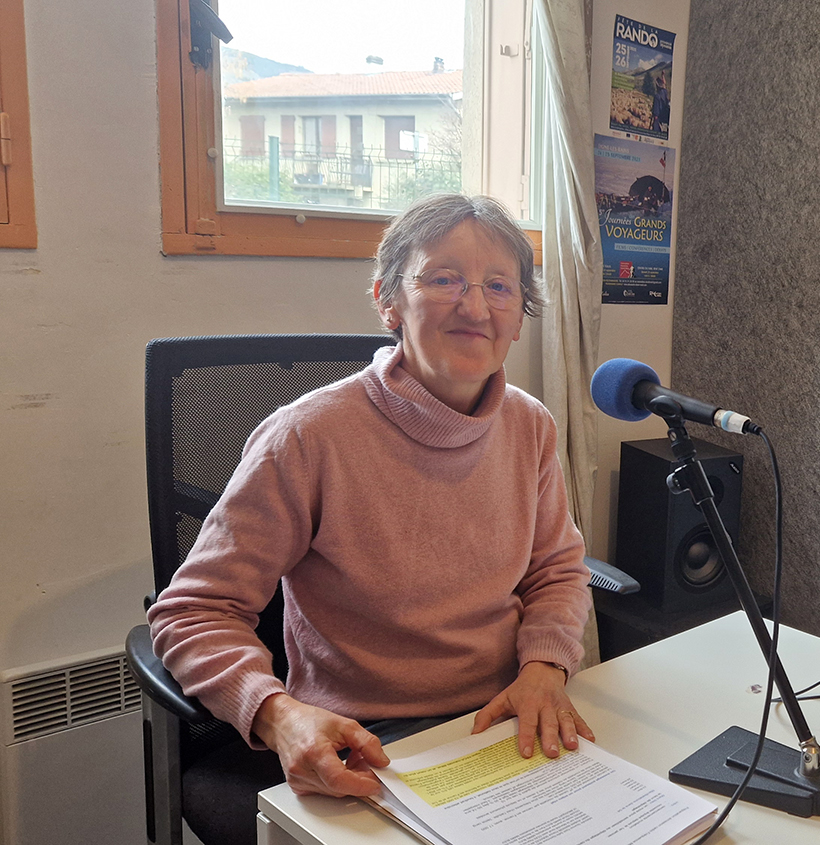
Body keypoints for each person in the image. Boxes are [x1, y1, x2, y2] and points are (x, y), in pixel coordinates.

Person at [148, 194, 593, 843]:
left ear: (518, 316)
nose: (475, 307)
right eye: (444, 279)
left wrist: (545, 669)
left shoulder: (529, 426)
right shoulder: (307, 437)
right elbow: (192, 612)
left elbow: (557, 570)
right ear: (388, 300)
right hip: (365, 743)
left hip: (503, 722)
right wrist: (278, 715)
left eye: (499, 286)